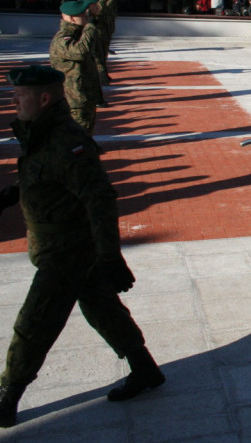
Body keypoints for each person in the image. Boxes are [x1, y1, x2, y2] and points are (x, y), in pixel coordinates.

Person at [0, 65, 165, 428]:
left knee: (35, 322)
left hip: (67, 250)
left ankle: (7, 395)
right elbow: (52, 181)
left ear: (43, 98)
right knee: (101, 307)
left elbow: (99, 199)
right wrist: (17, 193)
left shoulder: (64, 141)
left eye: (20, 95)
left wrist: (110, 258)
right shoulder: (40, 132)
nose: (13, 100)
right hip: (59, 243)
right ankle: (145, 369)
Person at [49, 0, 104, 134]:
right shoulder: (63, 39)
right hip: (74, 100)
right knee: (78, 137)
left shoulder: (77, 35)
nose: (86, 17)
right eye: (82, 15)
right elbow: (81, 52)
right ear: (72, 18)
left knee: (85, 135)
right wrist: (90, 27)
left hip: (84, 96)